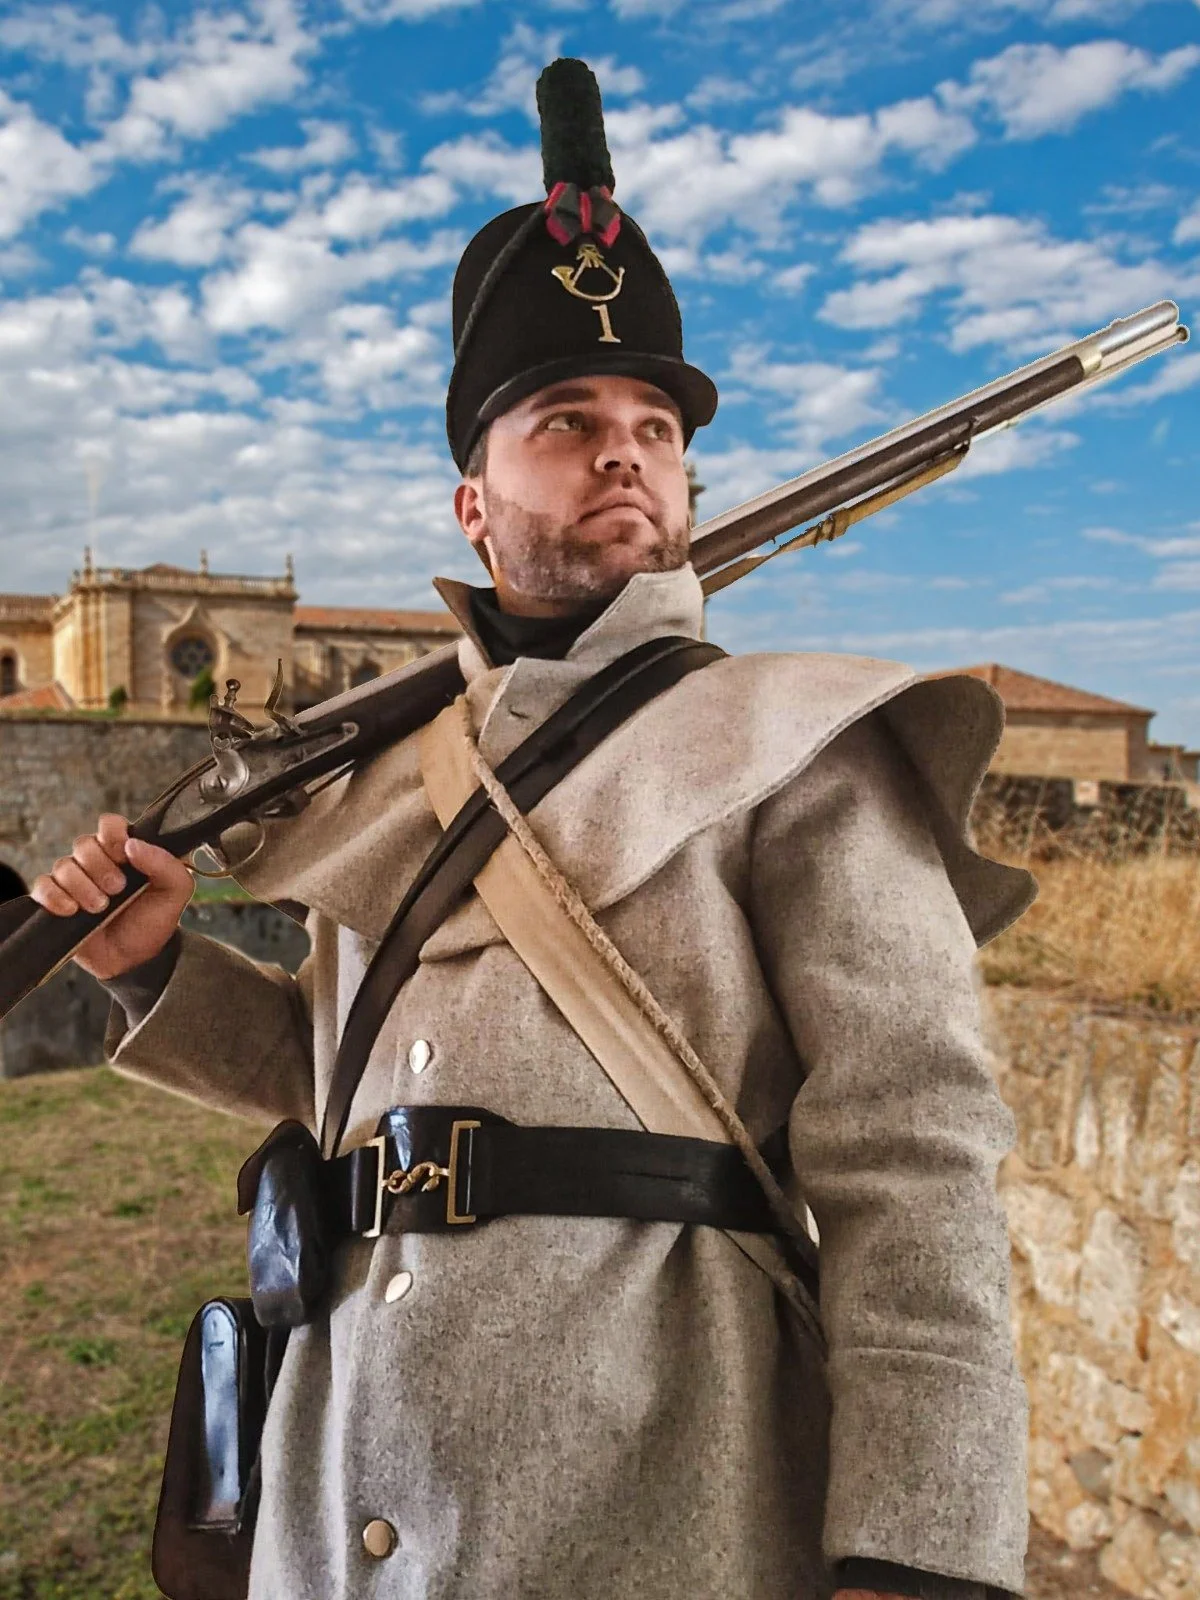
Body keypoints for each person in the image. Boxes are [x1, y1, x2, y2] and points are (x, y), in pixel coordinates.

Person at [32, 59, 1036, 1600]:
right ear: (474, 504)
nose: (623, 448)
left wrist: (919, 1557)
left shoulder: (807, 749)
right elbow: (335, 1081)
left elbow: (917, 1158)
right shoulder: (395, 777)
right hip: (332, 1499)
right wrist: (153, 966)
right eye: (567, 421)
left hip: (665, 1498)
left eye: (654, 425)